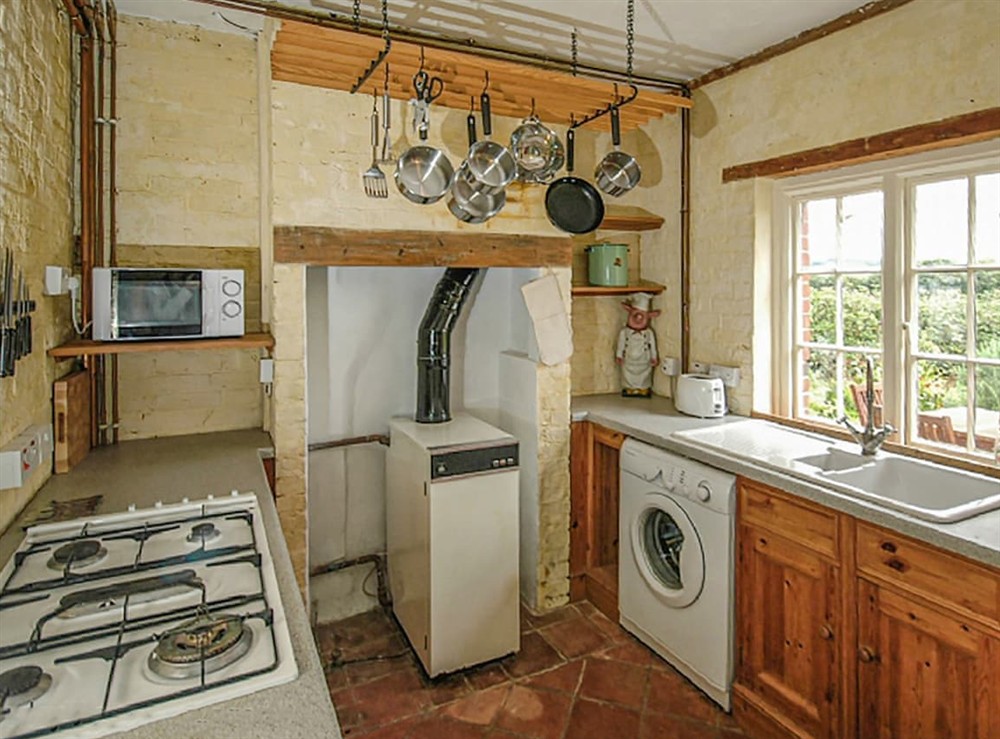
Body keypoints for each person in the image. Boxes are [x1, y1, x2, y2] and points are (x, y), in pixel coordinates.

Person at [615, 293, 660, 397]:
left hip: (644, 359)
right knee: (627, 374)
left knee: (644, 374)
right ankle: (629, 387)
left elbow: (652, 345)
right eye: (635, 315)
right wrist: (619, 355)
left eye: (642, 316)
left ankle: (643, 388)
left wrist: (654, 357)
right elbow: (621, 344)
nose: (638, 319)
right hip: (628, 359)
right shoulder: (624, 332)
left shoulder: (649, 333)